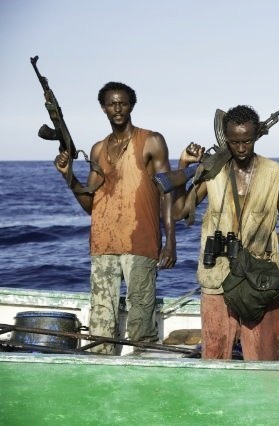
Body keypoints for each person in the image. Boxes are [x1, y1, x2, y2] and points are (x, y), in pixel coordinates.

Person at [54, 81, 176, 354]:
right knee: (100, 323)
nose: (117, 108)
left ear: (131, 106)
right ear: (103, 108)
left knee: (141, 318)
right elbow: (90, 204)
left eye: (123, 103)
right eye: (112, 104)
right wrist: (68, 176)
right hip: (103, 243)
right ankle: (101, 370)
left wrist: (170, 241)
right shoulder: (98, 149)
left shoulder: (151, 141)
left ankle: (144, 368)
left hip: (140, 241)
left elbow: (167, 190)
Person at [173, 105, 279, 361]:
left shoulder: (275, 173)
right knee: (214, 355)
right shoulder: (213, 171)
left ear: (256, 137)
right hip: (217, 275)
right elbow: (179, 211)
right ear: (226, 139)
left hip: (260, 277)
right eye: (234, 142)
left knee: (264, 358)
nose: (241, 148)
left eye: (247, 141)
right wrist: (183, 165)